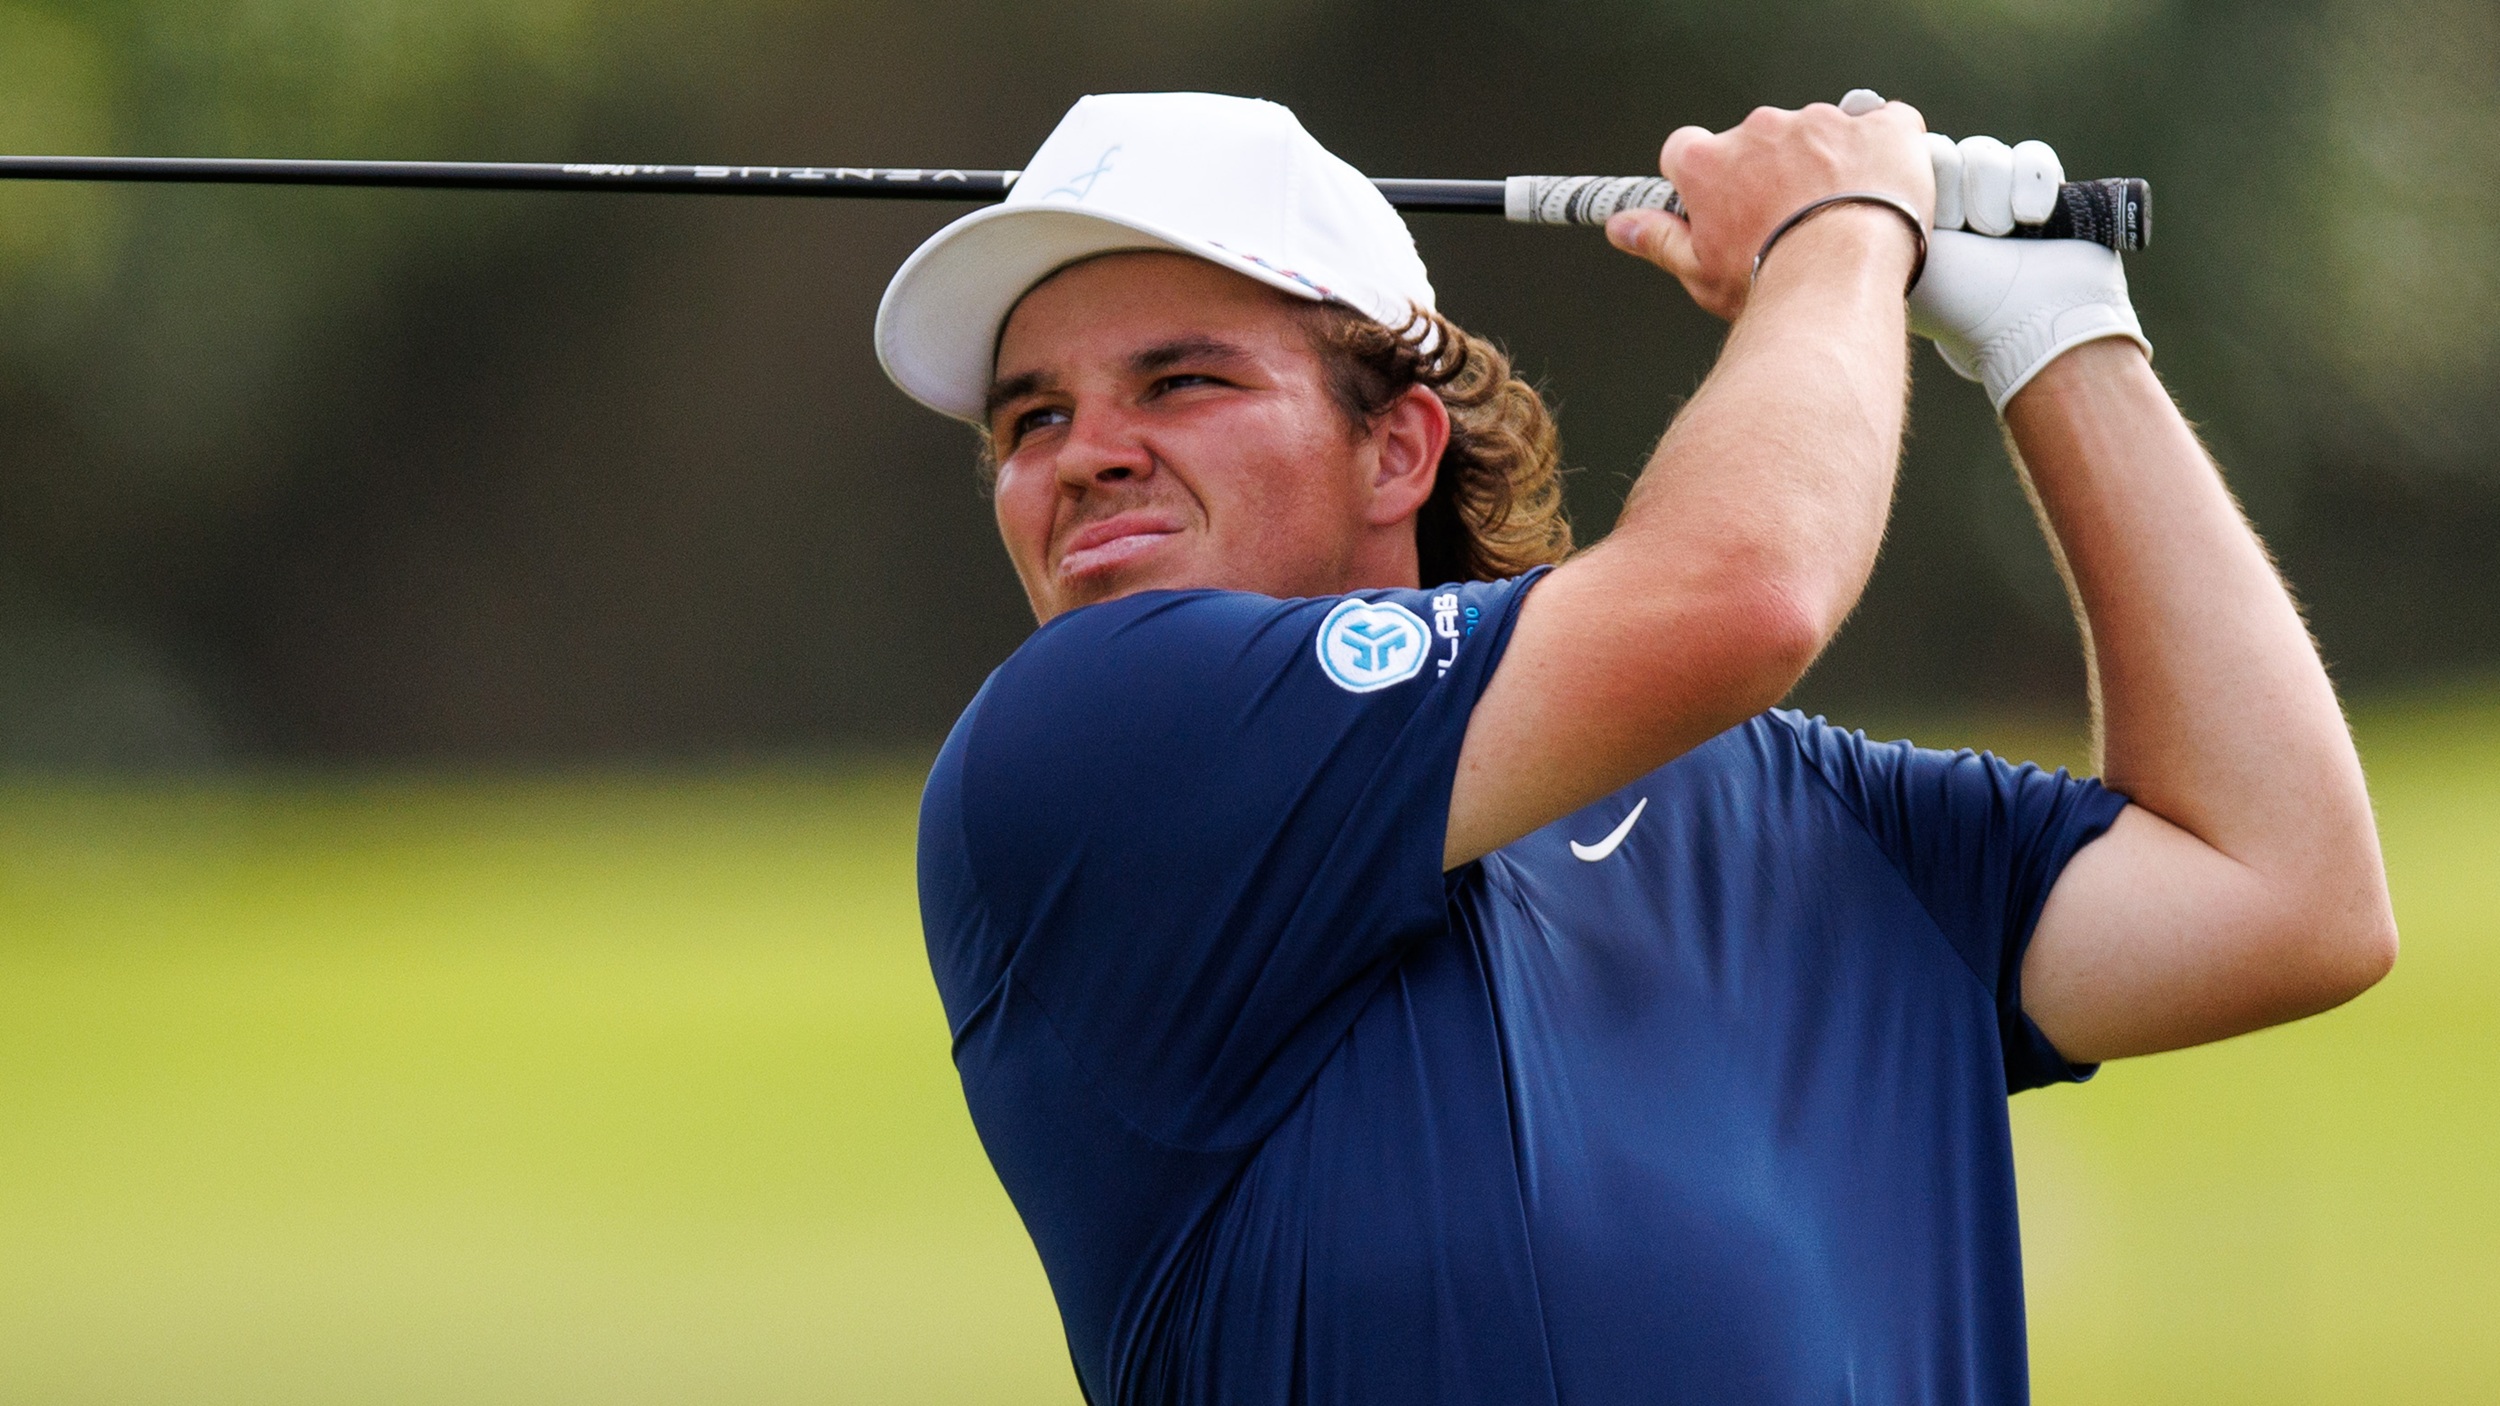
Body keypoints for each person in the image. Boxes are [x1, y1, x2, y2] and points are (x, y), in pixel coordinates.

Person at [877, 91, 2396, 1404]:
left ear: (1398, 444)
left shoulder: (1778, 796)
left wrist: (2061, 330)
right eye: (1029, 419)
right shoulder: (1083, 745)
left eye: (1180, 380)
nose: (1083, 452)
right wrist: (1843, 234)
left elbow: (2286, 890)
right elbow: (1748, 590)